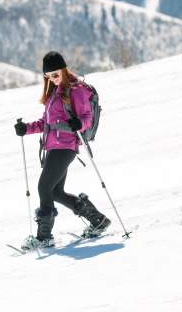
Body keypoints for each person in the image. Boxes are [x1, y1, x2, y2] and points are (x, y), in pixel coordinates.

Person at [14, 51, 111, 248]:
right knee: (56, 192)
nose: (52, 79)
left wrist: (78, 124)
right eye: (48, 76)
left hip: (66, 147)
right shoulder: (53, 93)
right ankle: (98, 220)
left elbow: (86, 118)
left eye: (55, 74)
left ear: (64, 70)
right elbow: (46, 123)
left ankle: (44, 238)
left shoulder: (77, 90)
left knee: (43, 187)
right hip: (53, 146)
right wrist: (26, 129)